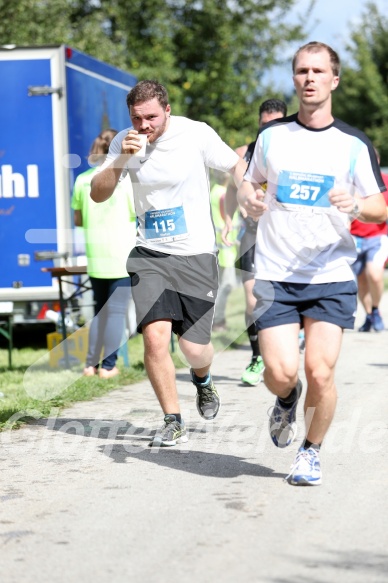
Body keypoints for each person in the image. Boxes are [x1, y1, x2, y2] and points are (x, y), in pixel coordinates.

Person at [237, 41, 387, 486]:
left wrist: (358, 204)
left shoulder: (353, 144)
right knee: (280, 373)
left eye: (319, 71)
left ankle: (310, 452)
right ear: (294, 78)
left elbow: (381, 206)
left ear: (334, 80)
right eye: (302, 71)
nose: (309, 79)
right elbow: (248, 185)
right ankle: (286, 400)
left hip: (330, 275)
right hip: (277, 274)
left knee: (320, 371)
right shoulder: (272, 137)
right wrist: (250, 202)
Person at [90, 80, 247, 446]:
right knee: (155, 338)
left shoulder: (196, 134)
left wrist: (250, 193)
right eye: (136, 118)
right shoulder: (123, 142)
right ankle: (171, 418)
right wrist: (123, 161)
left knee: (194, 348)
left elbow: (235, 165)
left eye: (151, 118)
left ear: (168, 111)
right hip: (150, 254)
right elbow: (99, 194)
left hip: (196, 253)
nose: (144, 126)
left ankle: (203, 380)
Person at [223, 99, 287, 385]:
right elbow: (228, 190)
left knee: (279, 297)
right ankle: (257, 357)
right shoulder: (243, 155)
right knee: (252, 299)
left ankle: (282, 347)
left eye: (276, 124)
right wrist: (227, 220)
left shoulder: (295, 154)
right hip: (250, 234)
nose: (269, 129)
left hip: (283, 237)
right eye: (265, 124)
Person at [71, 129, 136, 379]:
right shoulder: (128, 181)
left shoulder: (82, 180)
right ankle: (109, 366)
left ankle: (90, 365)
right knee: (117, 312)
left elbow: (78, 219)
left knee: (99, 311)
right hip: (121, 256)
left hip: (95, 255)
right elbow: (137, 215)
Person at [350, 149, 388, 332]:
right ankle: (370, 314)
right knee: (361, 280)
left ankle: (375, 309)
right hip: (354, 237)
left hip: (377, 237)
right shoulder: (351, 182)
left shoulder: (385, 181)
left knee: (374, 273)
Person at [210, 170, 241, 332]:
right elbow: (226, 216)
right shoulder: (223, 194)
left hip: (220, 246)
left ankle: (215, 320)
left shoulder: (214, 190)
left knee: (221, 284)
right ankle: (218, 321)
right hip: (226, 247)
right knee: (227, 284)